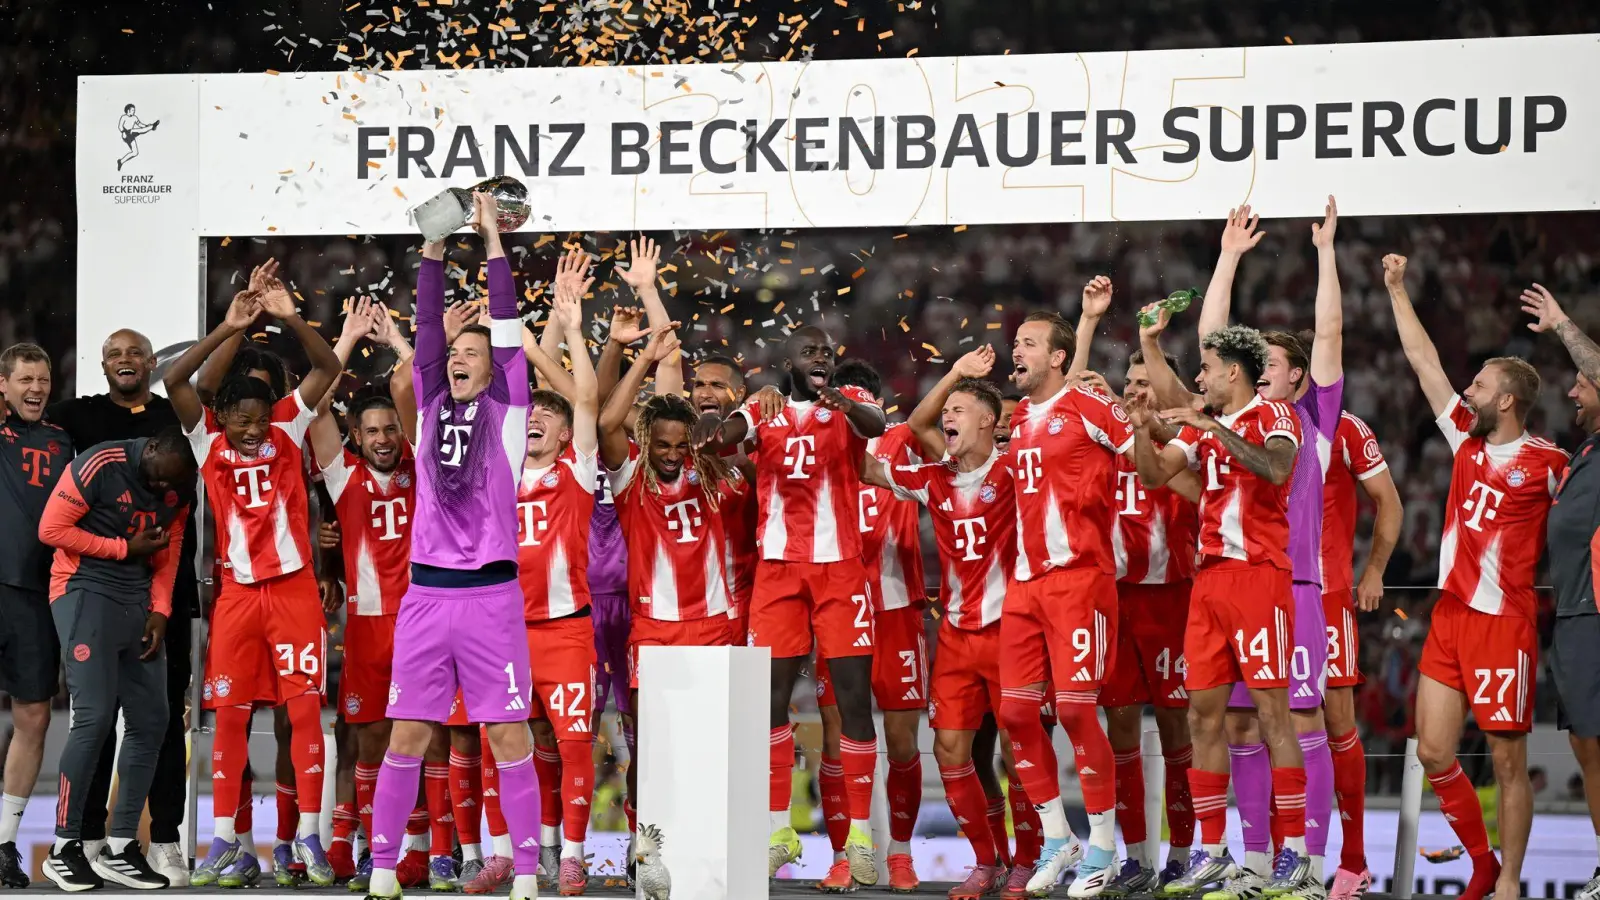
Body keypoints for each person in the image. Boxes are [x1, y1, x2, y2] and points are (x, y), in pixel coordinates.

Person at [362, 192, 543, 900]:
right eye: (455, 353)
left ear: (494, 367)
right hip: (427, 597)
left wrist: (493, 236)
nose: (460, 358)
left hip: (492, 598)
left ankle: (526, 872)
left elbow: (504, 322)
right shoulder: (432, 403)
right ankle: (382, 868)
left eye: (474, 353)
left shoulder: (508, 412)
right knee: (407, 733)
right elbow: (426, 335)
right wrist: (434, 249)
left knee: (507, 740)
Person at [1384, 253, 1566, 900]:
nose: (1468, 393)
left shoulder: (1548, 461)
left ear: (1508, 400)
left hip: (1504, 624)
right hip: (1452, 617)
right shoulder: (1464, 438)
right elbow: (1426, 364)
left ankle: (1510, 883)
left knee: (1509, 761)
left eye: (1481, 387)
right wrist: (1398, 289)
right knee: (1433, 752)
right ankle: (1482, 861)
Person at [164, 266, 344, 887]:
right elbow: (174, 380)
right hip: (237, 595)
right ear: (223, 416)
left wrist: (291, 317)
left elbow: (327, 371)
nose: (251, 427)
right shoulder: (205, 440)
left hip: (293, 591)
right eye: (240, 417)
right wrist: (230, 327)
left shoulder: (290, 427)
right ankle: (221, 840)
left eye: (259, 417)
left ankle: (311, 841)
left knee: (302, 714)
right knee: (231, 715)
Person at [692, 324, 887, 887]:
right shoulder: (766, 407)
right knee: (769, 701)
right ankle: (779, 831)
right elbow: (723, 434)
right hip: (777, 571)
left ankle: (858, 841)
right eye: (809, 353)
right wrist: (716, 423)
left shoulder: (853, 405)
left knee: (852, 700)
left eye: (826, 352)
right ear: (790, 361)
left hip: (839, 569)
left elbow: (874, 427)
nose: (819, 358)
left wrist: (837, 399)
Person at [1130, 323, 1307, 899]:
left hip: (1259, 578)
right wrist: (1141, 430)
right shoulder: (1206, 429)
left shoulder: (1275, 416)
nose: (1198, 379)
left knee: (1270, 714)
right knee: (1203, 715)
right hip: (1208, 583)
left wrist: (1212, 428)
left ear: (1234, 371)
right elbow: (1155, 474)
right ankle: (1213, 849)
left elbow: (1277, 469)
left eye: (1205, 369)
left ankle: (1296, 855)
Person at [46, 327, 203, 886]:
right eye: (158, 479)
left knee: (154, 719)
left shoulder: (179, 482)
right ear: (151, 450)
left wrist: (161, 610)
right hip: (85, 591)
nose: (163, 492)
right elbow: (51, 529)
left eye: (174, 487)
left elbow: (172, 546)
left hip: (139, 598)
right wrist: (120, 547)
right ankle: (64, 845)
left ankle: (118, 845)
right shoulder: (100, 462)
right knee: (91, 720)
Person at [859, 346, 1014, 900]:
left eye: (959, 409)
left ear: (990, 422)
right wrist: (830, 415)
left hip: (1013, 634)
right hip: (954, 637)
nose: (946, 417)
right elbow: (869, 464)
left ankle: (1030, 858)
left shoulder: (1018, 470)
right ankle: (987, 860)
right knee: (951, 753)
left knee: (1018, 757)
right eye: (945, 410)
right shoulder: (932, 478)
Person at [307, 297, 418, 884]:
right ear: (355, 434)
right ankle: (357, 844)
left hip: (423, 619)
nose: (382, 438)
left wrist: (405, 341)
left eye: (390, 428)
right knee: (363, 739)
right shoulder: (342, 473)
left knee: (416, 736)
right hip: (369, 624)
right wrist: (347, 339)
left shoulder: (423, 466)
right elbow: (313, 405)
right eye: (370, 430)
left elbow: (419, 396)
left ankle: (418, 848)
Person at [504, 251, 603, 896]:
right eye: (529, 417)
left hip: (566, 632)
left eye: (549, 417)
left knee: (570, 746)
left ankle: (570, 854)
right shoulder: (497, 471)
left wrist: (569, 328)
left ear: (569, 435)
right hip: (505, 631)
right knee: (516, 747)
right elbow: (512, 390)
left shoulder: (576, 473)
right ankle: (524, 852)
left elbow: (588, 396)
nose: (535, 420)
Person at [813, 358, 928, 893]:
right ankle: (844, 856)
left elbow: (938, 425)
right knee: (836, 736)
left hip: (898, 607)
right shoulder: (814, 443)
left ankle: (900, 855)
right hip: (836, 603)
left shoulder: (901, 437)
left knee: (903, 741)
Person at [1098, 344, 1201, 897]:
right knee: (1119, 729)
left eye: (1147, 379)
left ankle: (1183, 855)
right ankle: (1136, 856)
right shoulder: (1110, 431)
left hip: (1172, 599)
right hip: (1114, 599)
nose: (1136, 388)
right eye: (1130, 380)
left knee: (1176, 726)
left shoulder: (1187, 438)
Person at [1517, 283, 1600, 900]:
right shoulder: (1583, 454)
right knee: (1585, 743)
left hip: (1598, 613)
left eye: (1583, 383)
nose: (1573, 390)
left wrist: (1565, 326)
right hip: (1573, 616)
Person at [1319, 406, 1402, 900]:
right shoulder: (1258, 416)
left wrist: (1374, 570)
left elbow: (1388, 501)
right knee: (1269, 725)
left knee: (1337, 721)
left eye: (1272, 368)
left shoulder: (1344, 426)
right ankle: (1286, 858)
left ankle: (1353, 862)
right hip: (1268, 593)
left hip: (1327, 594)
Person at [0, 342, 74, 890]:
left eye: (43, 380)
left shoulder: (64, 438)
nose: (36, 389)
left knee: (34, 719)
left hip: (34, 595)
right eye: (25, 379)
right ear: (3, 385)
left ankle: (4, 844)